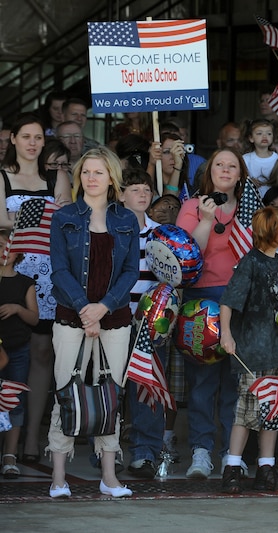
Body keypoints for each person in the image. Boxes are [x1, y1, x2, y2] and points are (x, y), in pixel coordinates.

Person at [47, 147, 140, 498]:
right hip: (71, 316)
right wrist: (85, 308)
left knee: (111, 398)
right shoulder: (64, 217)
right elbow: (59, 269)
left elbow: (131, 271)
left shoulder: (126, 219)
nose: (91, 178)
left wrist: (103, 308)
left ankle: (109, 478)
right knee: (65, 394)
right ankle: (58, 478)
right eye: (86, 172)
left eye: (98, 172)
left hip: (114, 318)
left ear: (111, 177)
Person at [175, 148, 251, 479]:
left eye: (231, 165)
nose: (224, 169)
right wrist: (207, 220)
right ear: (209, 171)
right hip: (201, 300)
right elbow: (187, 253)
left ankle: (231, 454)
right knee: (202, 383)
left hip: (238, 301)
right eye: (219, 164)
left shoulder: (249, 210)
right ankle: (201, 451)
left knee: (236, 381)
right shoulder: (193, 206)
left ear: (240, 174)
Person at [0, 114, 72, 465]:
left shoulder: (55, 176)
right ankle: (8, 441)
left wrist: (22, 218)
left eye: (37, 138)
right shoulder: (1, 176)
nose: (32, 143)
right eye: (24, 136)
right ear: (12, 138)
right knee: (9, 353)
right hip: (9, 276)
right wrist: (38, 215)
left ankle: (31, 438)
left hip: (47, 277)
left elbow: (67, 221)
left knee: (42, 353)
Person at [217, 206, 278, 493]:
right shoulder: (250, 263)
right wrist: (226, 334)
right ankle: (233, 466)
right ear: (276, 232)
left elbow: (277, 307)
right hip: (252, 350)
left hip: (277, 347)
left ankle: (266, 466)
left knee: (273, 410)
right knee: (246, 411)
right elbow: (228, 301)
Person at [119, 168, 164, 479]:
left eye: (146, 188)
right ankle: (106, 451)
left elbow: (172, 278)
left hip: (149, 322)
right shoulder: (109, 229)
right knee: (111, 387)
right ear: (121, 194)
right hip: (114, 319)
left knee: (146, 388)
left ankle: (145, 453)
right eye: (134, 188)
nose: (142, 193)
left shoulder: (162, 234)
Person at [0, 228, 39, 479]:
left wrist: (16, 308)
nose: (4, 251)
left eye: (8, 246)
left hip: (17, 349)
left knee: (15, 402)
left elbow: (34, 319)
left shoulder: (25, 282)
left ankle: (10, 455)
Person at [241, 118, 278, 194]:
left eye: (269, 134)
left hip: (272, 199)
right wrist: (249, 182)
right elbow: (240, 178)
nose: (265, 136)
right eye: (259, 133)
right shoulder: (246, 159)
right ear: (251, 138)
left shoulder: (277, 159)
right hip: (251, 198)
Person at [147, 132, 186, 199]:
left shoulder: (189, 189)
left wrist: (178, 165)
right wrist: (151, 164)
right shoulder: (150, 189)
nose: (173, 157)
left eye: (177, 151)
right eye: (167, 152)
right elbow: (168, 201)